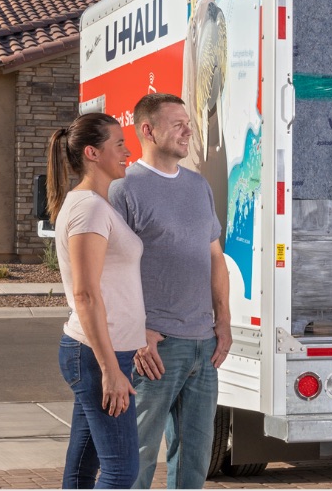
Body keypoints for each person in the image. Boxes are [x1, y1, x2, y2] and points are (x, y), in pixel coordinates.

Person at [109, 93, 232, 489]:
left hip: (204, 344)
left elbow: (215, 258)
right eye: (177, 123)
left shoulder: (198, 186)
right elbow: (109, 270)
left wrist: (224, 323)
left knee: (195, 458)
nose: (188, 130)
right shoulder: (124, 189)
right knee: (139, 456)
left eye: (188, 122)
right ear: (148, 130)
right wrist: (137, 332)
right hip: (156, 347)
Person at [46, 112, 145, 489]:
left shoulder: (95, 205)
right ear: (92, 152)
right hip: (96, 354)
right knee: (121, 473)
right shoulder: (88, 208)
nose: (127, 151)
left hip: (101, 351)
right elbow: (86, 295)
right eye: (119, 144)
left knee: (82, 473)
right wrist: (109, 369)